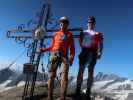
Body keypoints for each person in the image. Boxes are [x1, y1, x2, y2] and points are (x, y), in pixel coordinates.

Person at [39, 16, 75, 100]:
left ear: (67, 24)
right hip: (54, 54)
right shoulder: (55, 34)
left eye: (64, 22)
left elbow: (72, 48)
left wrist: (71, 57)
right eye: (61, 22)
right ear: (60, 24)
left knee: (64, 77)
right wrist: (44, 50)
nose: (62, 23)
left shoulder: (69, 35)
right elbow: (52, 46)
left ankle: (62, 97)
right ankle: (49, 97)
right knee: (51, 76)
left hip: (64, 56)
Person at [75, 16, 103, 99]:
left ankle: (88, 92)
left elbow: (101, 44)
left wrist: (100, 52)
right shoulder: (83, 32)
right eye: (89, 22)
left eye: (92, 22)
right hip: (84, 51)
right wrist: (83, 48)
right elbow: (79, 41)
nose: (90, 24)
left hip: (93, 52)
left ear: (94, 24)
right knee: (80, 71)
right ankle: (77, 91)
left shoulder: (97, 33)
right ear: (87, 23)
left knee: (90, 73)